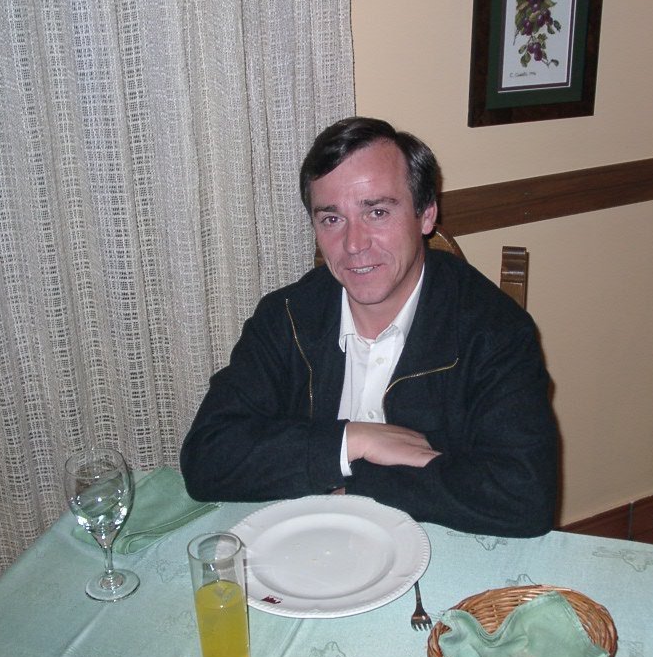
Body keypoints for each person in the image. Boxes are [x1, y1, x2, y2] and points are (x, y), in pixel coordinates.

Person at [180, 117, 558, 537]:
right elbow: (206, 459)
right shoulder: (286, 316)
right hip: (309, 548)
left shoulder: (495, 331)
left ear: (426, 214)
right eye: (332, 219)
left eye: (377, 212)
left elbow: (525, 497)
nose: (354, 244)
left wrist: (356, 482)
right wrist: (354, 440)